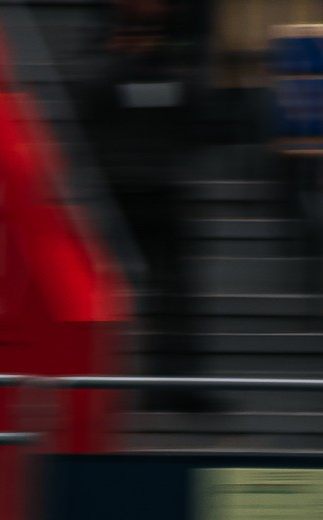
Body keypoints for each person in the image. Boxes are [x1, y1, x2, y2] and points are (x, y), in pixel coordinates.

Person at [80, 0, 212, 410]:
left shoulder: (120, 79)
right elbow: (196, 127)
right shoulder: (167, 78)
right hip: (141, 194)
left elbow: (88, 125)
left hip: (140, 194)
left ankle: (152, 381)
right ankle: (148, 383)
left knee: (159, 294)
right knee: (157, 294)